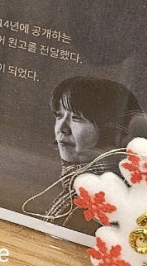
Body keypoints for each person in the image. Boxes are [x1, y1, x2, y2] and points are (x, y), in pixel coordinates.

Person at [43, 76, 141, 227]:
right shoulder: (77, 188)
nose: (62, 128)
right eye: (59, 115)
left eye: (77, 118)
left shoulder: (92, 206)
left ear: (111, 128)